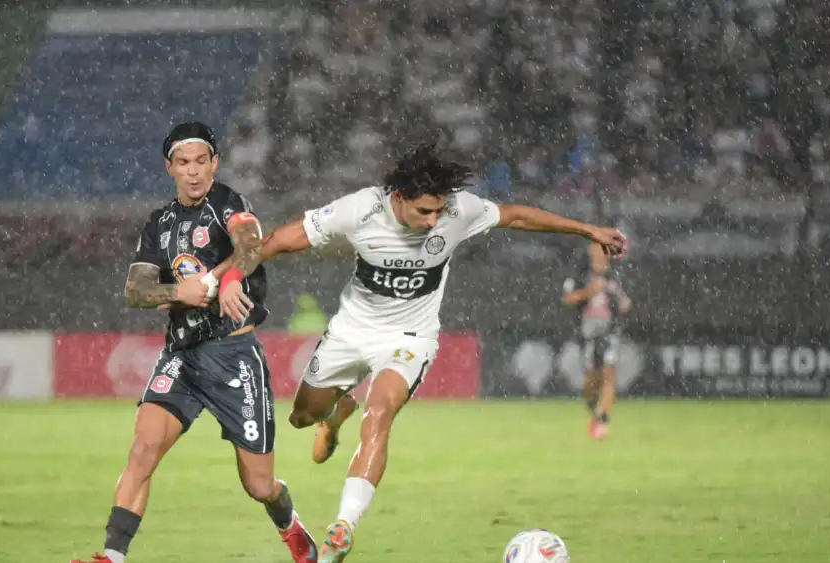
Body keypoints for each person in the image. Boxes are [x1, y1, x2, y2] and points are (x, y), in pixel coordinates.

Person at [222, 142, 628, 562]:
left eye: (438, 211)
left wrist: (588, 231)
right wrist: (230, 275)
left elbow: (515, 215)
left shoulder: (457, 210)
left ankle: (343, 527)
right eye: (424, 212)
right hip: (352, 331)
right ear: (398, 198)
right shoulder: (361, 209)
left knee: (380, 414)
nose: (434, 220)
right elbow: (279, 241)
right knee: (302, 416)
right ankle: (335, 415)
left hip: (410, 338)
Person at [71, 122, 317, 563]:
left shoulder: (229, 204)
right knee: (143, 449)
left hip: (233, 356)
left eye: (201, 161)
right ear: (169, 168)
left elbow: (251, 245)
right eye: (183, 162)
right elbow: (136, 290)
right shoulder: (159, 224)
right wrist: (177, 293)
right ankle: (112, 556)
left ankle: (288, 523)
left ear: (214, 163)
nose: (193, 171)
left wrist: (227, 279)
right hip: (182, 357)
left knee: (259, 485)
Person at [562, 241, 632, 440]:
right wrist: (588, 292)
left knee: (609, 373)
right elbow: (568, 299)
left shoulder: (614, 277)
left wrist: (622, 302)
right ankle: (594, 409)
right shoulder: (580, 274)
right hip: (587, 336)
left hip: (609, 333)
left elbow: (625, 302)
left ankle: (602, 420)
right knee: (591, 381)